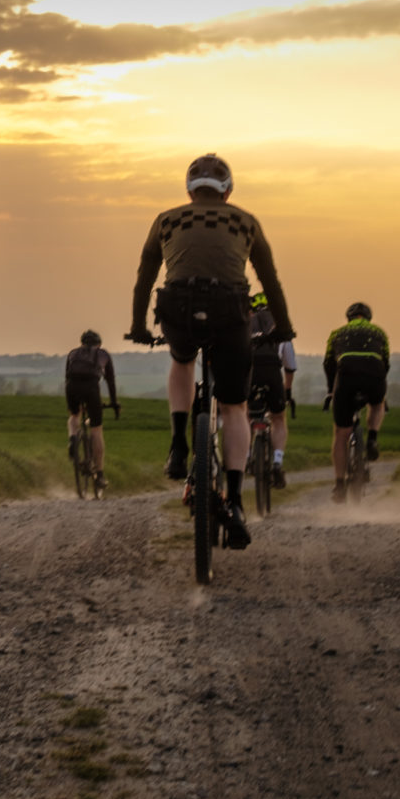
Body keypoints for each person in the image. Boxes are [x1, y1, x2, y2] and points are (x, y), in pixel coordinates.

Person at [128, 153, 294, 549]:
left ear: (189, 190)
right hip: (229, 308)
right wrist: (283, 326)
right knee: (234, 407)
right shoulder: (245, 221)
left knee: (182, 360)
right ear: (228, 190)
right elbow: (270, 282)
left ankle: (178, 446)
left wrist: (137, 326)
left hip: (177, 306)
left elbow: (144, 278)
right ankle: (235, 500)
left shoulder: (166, 219)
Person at [323, 301, 390, 503]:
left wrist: (331, 390)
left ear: (348, 318)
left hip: (347, 377)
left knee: (341, 433)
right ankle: (372, 438)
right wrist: (378, 389)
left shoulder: (337, 334)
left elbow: (328, 364)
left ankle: (340, 485)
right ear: (368, 318)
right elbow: (385, 363)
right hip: (374, 375)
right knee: (378, 404)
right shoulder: (380, 332)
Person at [64, 329, 120, 494]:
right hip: (91, 388)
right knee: (96, 429)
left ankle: (73, 438)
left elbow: (67, 376)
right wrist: (114, 403)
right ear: (99, 343)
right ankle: (100, 474)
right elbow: (110, 382)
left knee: (74, 415)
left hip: (72, 387)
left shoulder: (73, 353)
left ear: (82, 342)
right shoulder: (103, 354)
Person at [247, 291, 294, 487]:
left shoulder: (244, 325)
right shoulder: (280, 328)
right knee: (278, 418)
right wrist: (287, 391)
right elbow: (290, 365)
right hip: (273, 374)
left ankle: (248, 456)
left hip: (249, 373)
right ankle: (277, 461)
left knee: (244, 414)